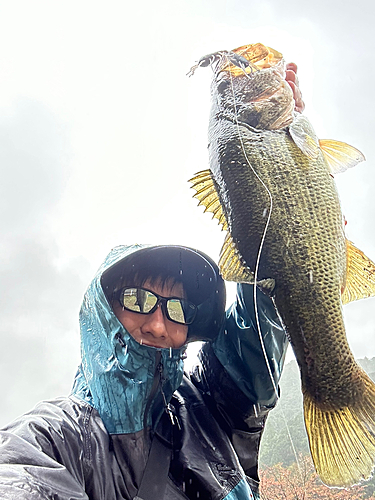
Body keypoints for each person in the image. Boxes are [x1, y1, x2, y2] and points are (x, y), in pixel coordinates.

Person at [0, 66, 303, 500]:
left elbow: (262, 318)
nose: (159, 324)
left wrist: (278, 170)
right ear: (104, 310)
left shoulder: (214, 410)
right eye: (139, 299)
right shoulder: (53, 439)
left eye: (177, 309)